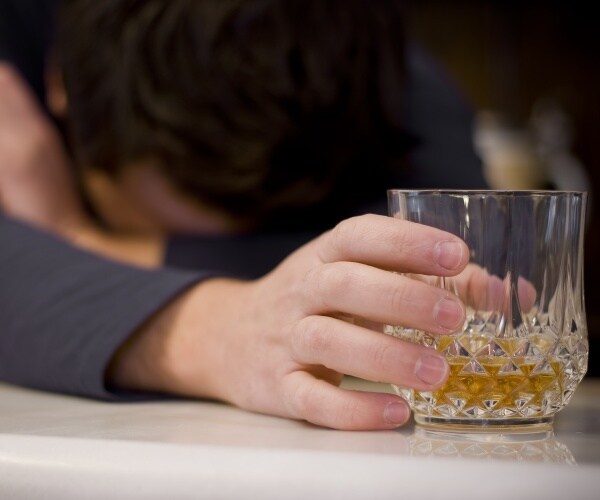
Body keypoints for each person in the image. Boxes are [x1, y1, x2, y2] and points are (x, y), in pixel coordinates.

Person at [0, 0, 487, 430]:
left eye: (260, 225)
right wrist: (210, 332)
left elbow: (478, 256)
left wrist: (82, 242)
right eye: (155, 230)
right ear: (59, 78)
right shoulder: (38, 36)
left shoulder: (340, 43)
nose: (226, 242)